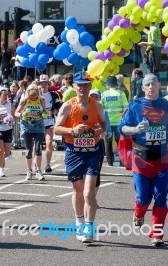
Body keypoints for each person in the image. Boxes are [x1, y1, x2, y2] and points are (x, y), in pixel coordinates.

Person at [118, 74, 168, 246]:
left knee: (161, 197)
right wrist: (134, 129)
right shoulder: (135, 106)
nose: (151, 86)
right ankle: (139, 213)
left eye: (154, 83)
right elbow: (122, 128)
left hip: (162, 160)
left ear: (159, 85)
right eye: (147, 84)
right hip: (141, 160)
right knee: (143, 197)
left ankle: (157, 234)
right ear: (143, 88)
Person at [53, 71, 106, 243]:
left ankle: (89, 228)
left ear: (90, 87)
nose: (82, 88)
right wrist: (72, 131)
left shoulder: (96, 105)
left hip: (93, 151)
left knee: (89, 192)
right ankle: (79, 220)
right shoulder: (68, 106)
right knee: (78, 191)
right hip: (74, 152)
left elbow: (104, 124)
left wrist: (99, 130)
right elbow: (56, 129)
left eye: (86, 85)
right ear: (74, 86)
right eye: (79, 84)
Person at [15, 84, 46, 181]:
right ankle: (29, 170)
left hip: (38, 125)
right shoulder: (24, 100)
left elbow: (44, 111)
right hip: (27, 126)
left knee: (38, 148)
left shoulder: (41, 100)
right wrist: (22, 114)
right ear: (28, 94)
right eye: (31, 95)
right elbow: (16, 113)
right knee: (28, 149)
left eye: (35, 95)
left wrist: (44, 114)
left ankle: (38, 171)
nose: (33, 97)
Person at [101, 75, 129, 166]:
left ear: (108, 85)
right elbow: (126, 108)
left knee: (108, 143)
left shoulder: (104, 94)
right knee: (119, 142)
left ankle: (110, 162)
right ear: (116, 84)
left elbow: (101, 108)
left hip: (107, 123)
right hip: (118, 123)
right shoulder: (121, 94)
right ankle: (121, 161)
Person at [39, 74, 62, 173]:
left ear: (48, 84)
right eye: (41, 83)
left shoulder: (53, 95)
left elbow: (58, 105)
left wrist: (56, 110)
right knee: (37, 145)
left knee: (48, 143)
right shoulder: (35, 94)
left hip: (49, 122)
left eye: (45, 83)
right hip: (38, 123)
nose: (43, 85)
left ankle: (48, 164)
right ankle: (37, 165)